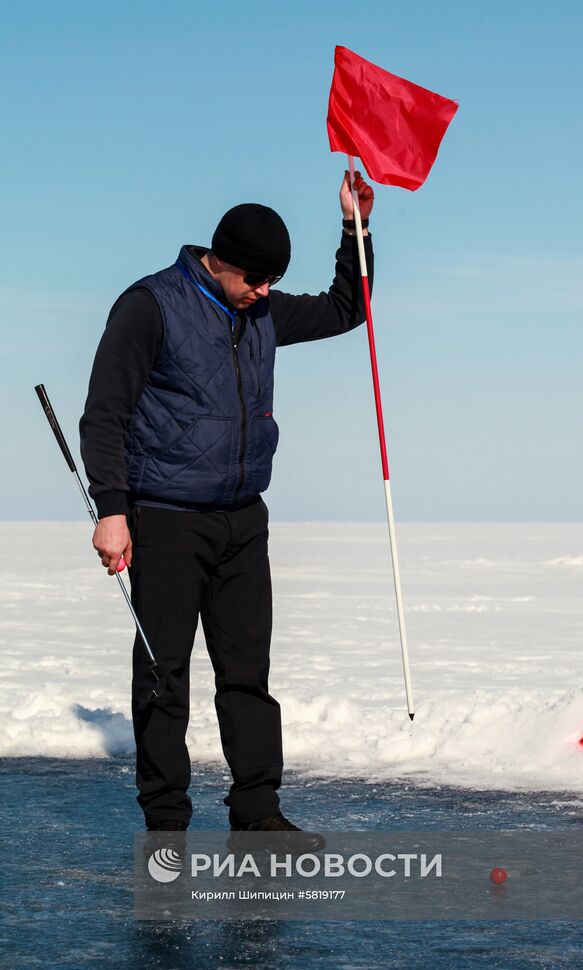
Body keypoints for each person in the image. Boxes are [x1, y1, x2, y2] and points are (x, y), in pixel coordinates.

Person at [80, 171, 374, 848]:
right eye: (258, 280)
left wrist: (354, 230)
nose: (266, 293)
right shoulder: (150, 306)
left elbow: (342, 309)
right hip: (165, 517)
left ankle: (257, 811)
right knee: (163, 673)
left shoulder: (262, 312)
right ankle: (166, 825)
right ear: (223, 262)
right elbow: (104, 415)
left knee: (247, 672)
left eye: (273, 282)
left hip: (243, 518)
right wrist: (112, 508)